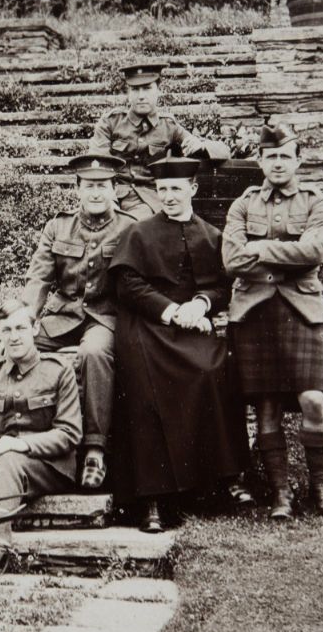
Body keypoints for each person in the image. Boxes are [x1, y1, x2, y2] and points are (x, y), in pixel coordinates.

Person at [107, 156, 252, 533]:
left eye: (176, 189)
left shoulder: (210, 234)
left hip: (193, 322)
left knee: (214, 369)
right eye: (163, 190)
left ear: (194, 189)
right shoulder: (138, 233)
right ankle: (152, 498)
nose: (169, 196)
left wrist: (201, 304)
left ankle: (227, 479)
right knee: (145, 380)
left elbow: (222, 286)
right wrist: (172, 311)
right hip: (147, 324)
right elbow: (128, 286)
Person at [222, 124, 323, 520]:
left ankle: (320, 486)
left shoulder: (316, 201)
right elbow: (231, 260)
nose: (277, 163)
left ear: (297, 160)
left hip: (301, 308)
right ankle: (280, 493)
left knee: (314, 398)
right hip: (254, 311)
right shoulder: (243, 204)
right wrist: (285, 254)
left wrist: (260, 248)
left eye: (284, 156)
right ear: (260, 160)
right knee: (267, 407)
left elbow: (316, 250)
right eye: (270, 156)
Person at [21, 153, 138, 489]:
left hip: (105, 317)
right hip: (62, 317)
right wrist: (28, 315)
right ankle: (22, 438)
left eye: (103, 186)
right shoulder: (58, 227)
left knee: (94, 354)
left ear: (115, 189)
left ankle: (94, 451)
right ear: (77, 190)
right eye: (89, 186)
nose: (96, 193)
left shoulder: (130, 227)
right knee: (19, 349)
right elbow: (39, 278)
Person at [0, 299, 82, 544]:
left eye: (20, 328)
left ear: (35, 329)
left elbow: (69, 433)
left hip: (51, 467)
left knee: (7, 461)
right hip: (3, 465)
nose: (13, 337)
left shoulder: (59, 370)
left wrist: (20, 444)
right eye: (6, 330)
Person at [88, 62, 230, 218]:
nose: (141, 96)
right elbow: (97, 165)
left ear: (158, 91)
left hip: (149, 200)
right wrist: (109, 200)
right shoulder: (111, 122)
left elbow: (223, 151)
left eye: (147, 88)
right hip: (112, 195)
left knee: (137, 225)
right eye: (135, 89)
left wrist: (201, 146)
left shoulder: (168, 126)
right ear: (128, 93)